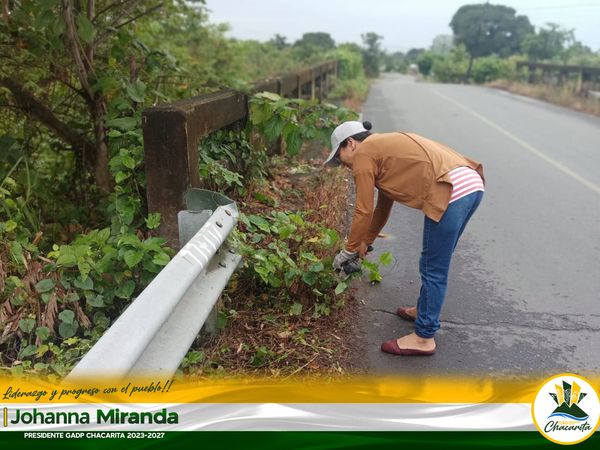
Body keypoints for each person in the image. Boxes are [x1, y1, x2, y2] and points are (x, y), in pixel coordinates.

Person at [325, 120, 484, 356]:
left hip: (450, 189)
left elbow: (363, 210)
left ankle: (424, 338)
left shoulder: (364, 153)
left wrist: (348, 250)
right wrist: (366, 241)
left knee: (433, 267)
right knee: (434, 262)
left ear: (350, 143)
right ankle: (424, 311)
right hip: (471, 184)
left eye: (340, 157)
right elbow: (382, 207)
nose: (344, 165)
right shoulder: (382, 149)